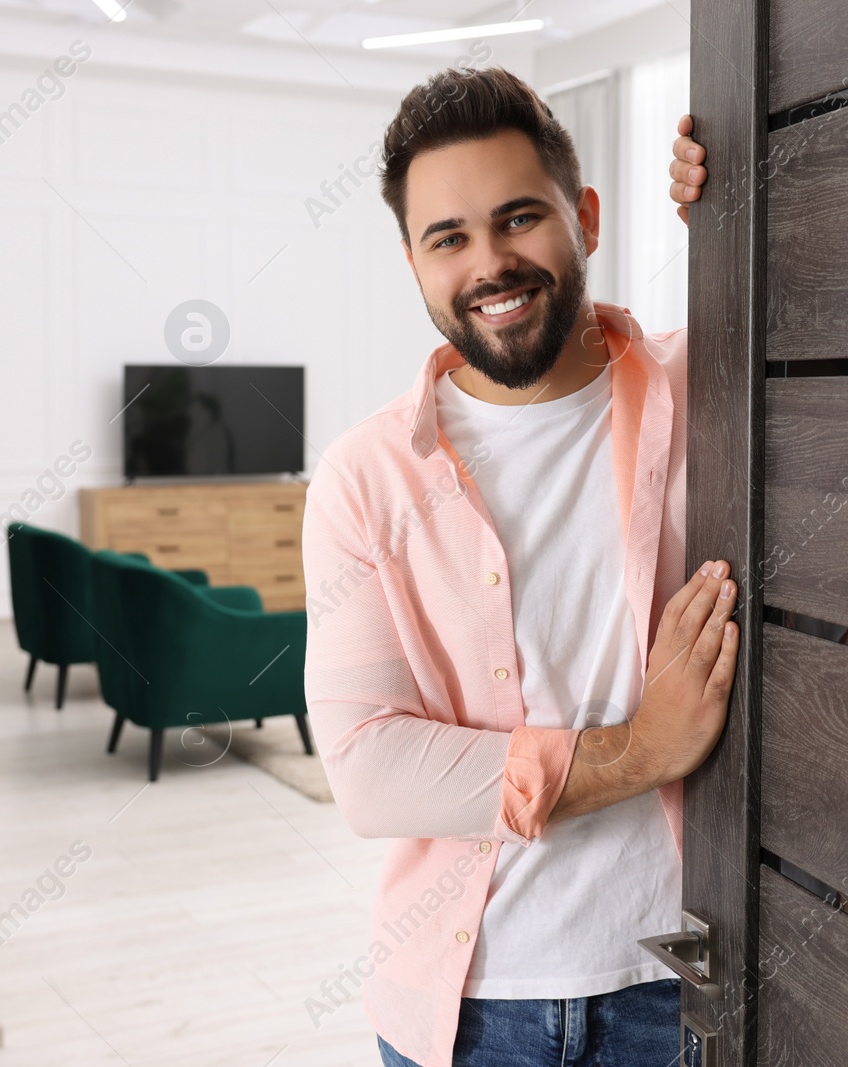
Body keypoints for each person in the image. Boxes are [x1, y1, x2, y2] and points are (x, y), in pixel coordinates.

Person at [300, 66, 719, 1067]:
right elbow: (370, 769)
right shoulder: (367, 475)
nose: (490, 262)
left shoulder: (706, 389)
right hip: (470, 1010)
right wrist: (640, 748)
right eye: (447, 237)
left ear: (584, 215)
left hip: (679, 987)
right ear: (412, 260)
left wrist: (748, 196)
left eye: (518, 218)